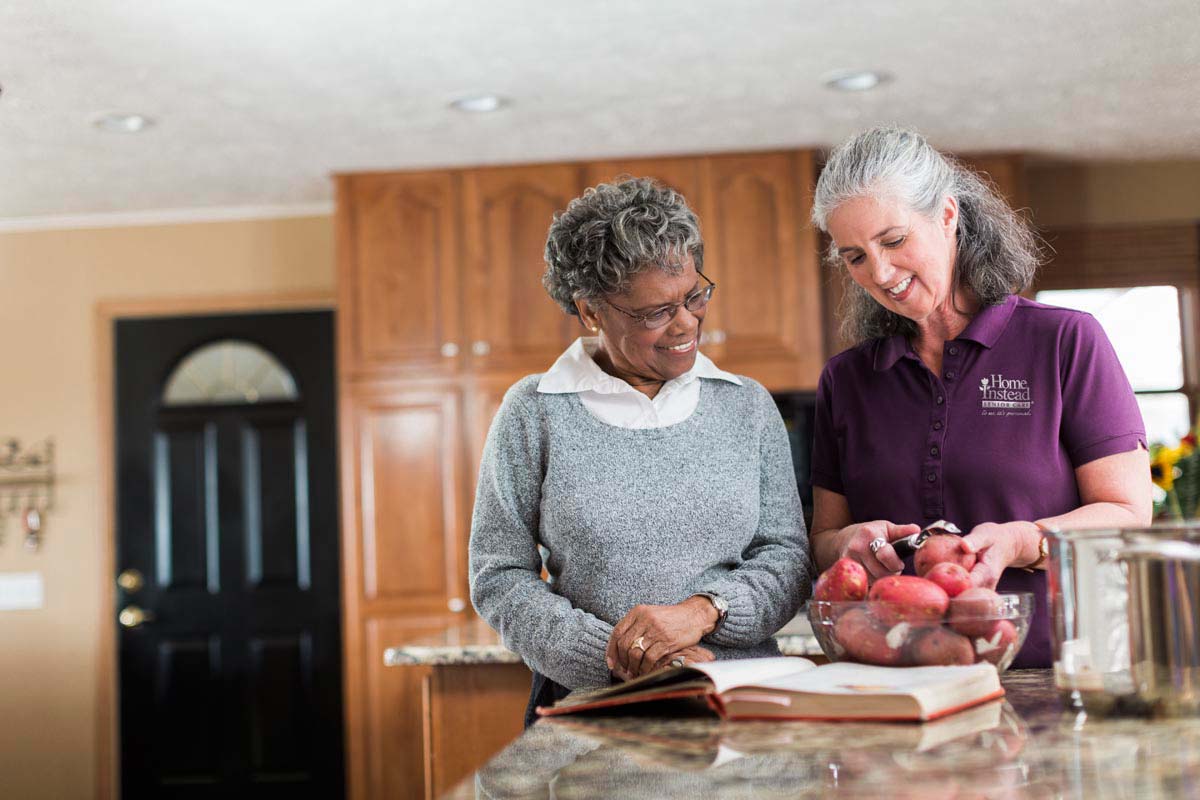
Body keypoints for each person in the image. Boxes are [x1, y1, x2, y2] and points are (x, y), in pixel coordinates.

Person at [469, 177, 811, 726]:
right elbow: (499, 574)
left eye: (693, 297)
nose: (686, 325)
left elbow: (789, 558)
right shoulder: (534, 411)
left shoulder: (746, 405)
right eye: (654, 312)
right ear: (591, 312)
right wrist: (621, 655)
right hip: (597, 708)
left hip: (742, 706)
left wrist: (702, 613)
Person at [808, 127, 1152, 668]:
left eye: (894, 241)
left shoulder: (1064, 341)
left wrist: (1024, 540)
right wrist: (850, 542)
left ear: (947, 216)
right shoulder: (847, 379)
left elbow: (1129, 513)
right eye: (855, 256)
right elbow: (823, 539)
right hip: (894, 680)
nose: (878, 273)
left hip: (1054, 673)